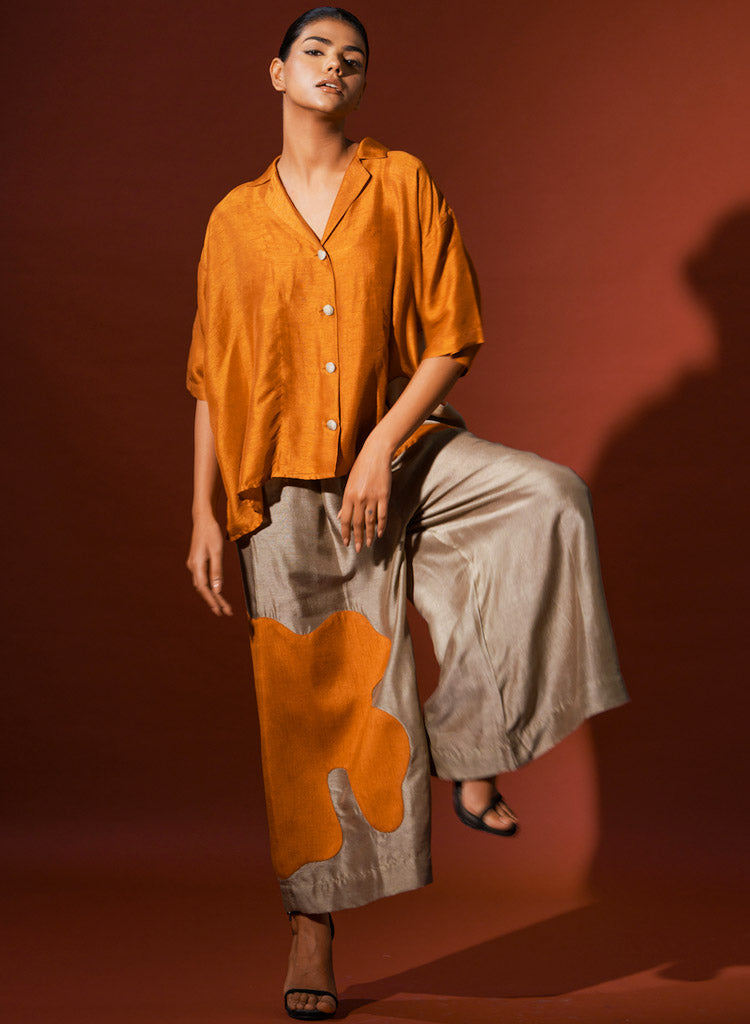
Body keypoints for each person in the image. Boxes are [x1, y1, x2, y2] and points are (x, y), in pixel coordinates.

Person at [185, 7, 628, 1020]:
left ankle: (471, 745)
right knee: (308, 712)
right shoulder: (233, 220)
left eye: (352, 58)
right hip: (281, 490)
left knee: (548, 500)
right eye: (315, 51)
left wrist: (381, 446)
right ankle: (313, 927)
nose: (334, 66)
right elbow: (212, 376)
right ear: (276, 73)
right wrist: (203, 513)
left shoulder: (402, 182)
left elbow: (450, 334)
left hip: (402, 453)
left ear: (362, 83)